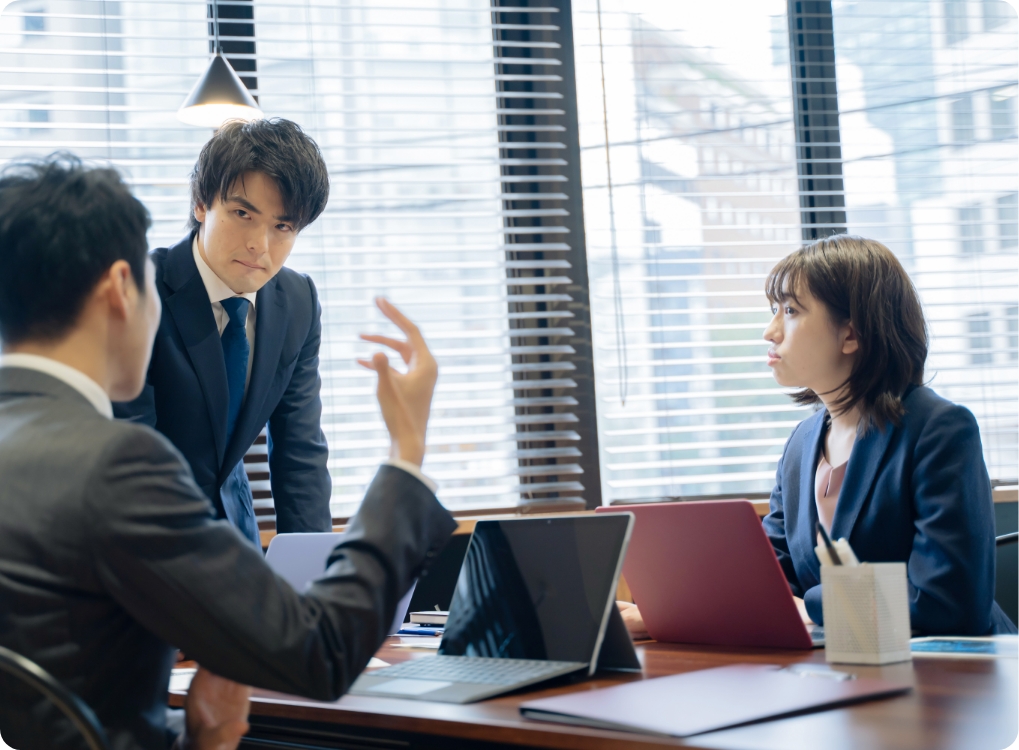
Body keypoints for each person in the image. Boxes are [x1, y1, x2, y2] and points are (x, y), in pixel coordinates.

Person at [0, 155, 456, 750]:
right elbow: (322, 654)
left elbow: (76, 706)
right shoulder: (117, 463)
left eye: (283, 226)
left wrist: (203, 738)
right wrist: (407, 452)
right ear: (120, 289)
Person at [620, 235, 1016, 639]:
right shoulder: (801, 444)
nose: (770, 331)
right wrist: (661, 615)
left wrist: (812, 607)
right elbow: (770, 579)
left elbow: (947, 602)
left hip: (954, 667)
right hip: (844, 661)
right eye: (774, 310)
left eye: (790, 310)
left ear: (851, 334)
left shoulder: (940, 429)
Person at [114, 117, 344, 545]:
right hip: (147, 541)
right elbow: (130, 453)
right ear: (202, 204)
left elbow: (300, 455)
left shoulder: (298, 301)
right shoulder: (137, 291)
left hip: (238, 539)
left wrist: (312, 572)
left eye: (283, 226)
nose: (260, 245)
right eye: (242, 214)